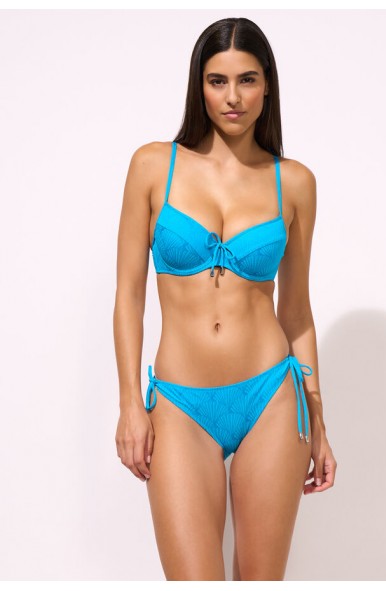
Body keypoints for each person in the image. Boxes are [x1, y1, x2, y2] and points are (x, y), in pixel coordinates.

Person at [114, 16, 337, 581]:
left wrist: (318, 417)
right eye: (218, 81)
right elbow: (128, 296)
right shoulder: (153, 166)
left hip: (271, 397)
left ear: (268, 86)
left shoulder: (295, 182)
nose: (233, 97)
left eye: (247, 80)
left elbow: (296, 311)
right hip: (180, 404)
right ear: (200, 86)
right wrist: (130, 405)